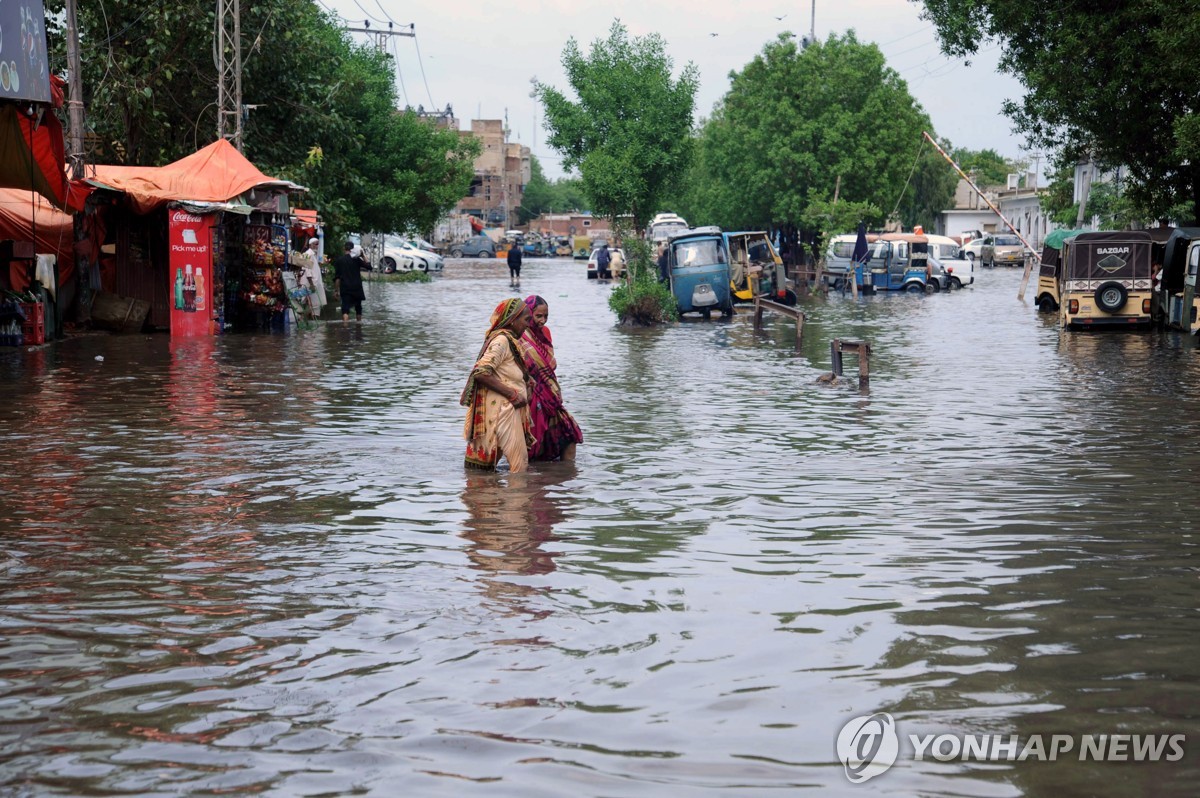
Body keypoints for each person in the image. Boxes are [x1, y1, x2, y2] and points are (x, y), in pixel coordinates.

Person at [461, 298, 534, 472]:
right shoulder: (501, 341)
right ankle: (517, 498)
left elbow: (506, 372)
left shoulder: (510, 340)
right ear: (513, 319)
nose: (528, 325)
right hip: (505, 410)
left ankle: (487, 497)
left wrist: (526, 382)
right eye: (526, 320)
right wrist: (512, 394)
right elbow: (480, 373)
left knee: (486, 470)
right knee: (520, 466)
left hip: (506, 408)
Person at [520, 295, 583, 462]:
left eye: (546, 316)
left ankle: (565, 475)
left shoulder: (545, 333)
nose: (543, 320)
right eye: (538, 316)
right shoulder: (520, 335)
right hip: (530, 395)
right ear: (528, 314)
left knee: (570, 434)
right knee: (532, 442)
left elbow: (548, 363)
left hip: (550, 394)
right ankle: (531, 482)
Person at [332, 240, 366, 322]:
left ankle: (345, 329)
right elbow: (369, 266)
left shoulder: (339, 260)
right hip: (357, 288)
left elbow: (337, 278)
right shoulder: (357, 259)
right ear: (353, 249)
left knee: (345, 310)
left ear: (344, 248)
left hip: (346, 288)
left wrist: (336, 291)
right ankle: (359, 329)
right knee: (358, 309)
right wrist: (363, 255)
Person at [302, 238, 328, 320]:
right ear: (310, 245)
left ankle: (311, 324)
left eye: (317, 244)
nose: (317, 246)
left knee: (315, 306)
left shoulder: (315, 254)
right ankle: (313, 326)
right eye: (315, 244)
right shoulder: (307, 254)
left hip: (315, 283)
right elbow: (307, 270)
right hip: (311, 284)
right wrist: (312, 284)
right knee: (314, 306)